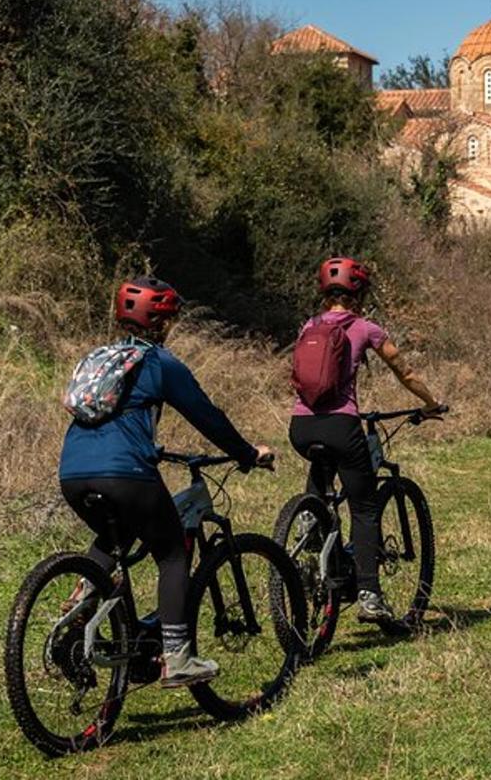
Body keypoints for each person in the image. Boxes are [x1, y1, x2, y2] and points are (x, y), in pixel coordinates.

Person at [58, 276, 274, 688]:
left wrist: (150, 448)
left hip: (72, 472)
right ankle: (177, 658)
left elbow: (111, 418)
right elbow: (206, 415)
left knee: (113, 538)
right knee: (173, 552)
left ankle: (76, 619)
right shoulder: (158, 362)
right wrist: (247, 454)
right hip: (125, 473)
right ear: (162, 321)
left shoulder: (98, 359)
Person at [288, 257, 442, 622]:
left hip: (300, 427)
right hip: (342, 427)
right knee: (365, 507)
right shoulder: (365, 328)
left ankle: (311, 521)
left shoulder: (308, 326)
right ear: (359, 292)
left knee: (322, 469)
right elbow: (404, 372)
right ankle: (369, 595)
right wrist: (431, 403)